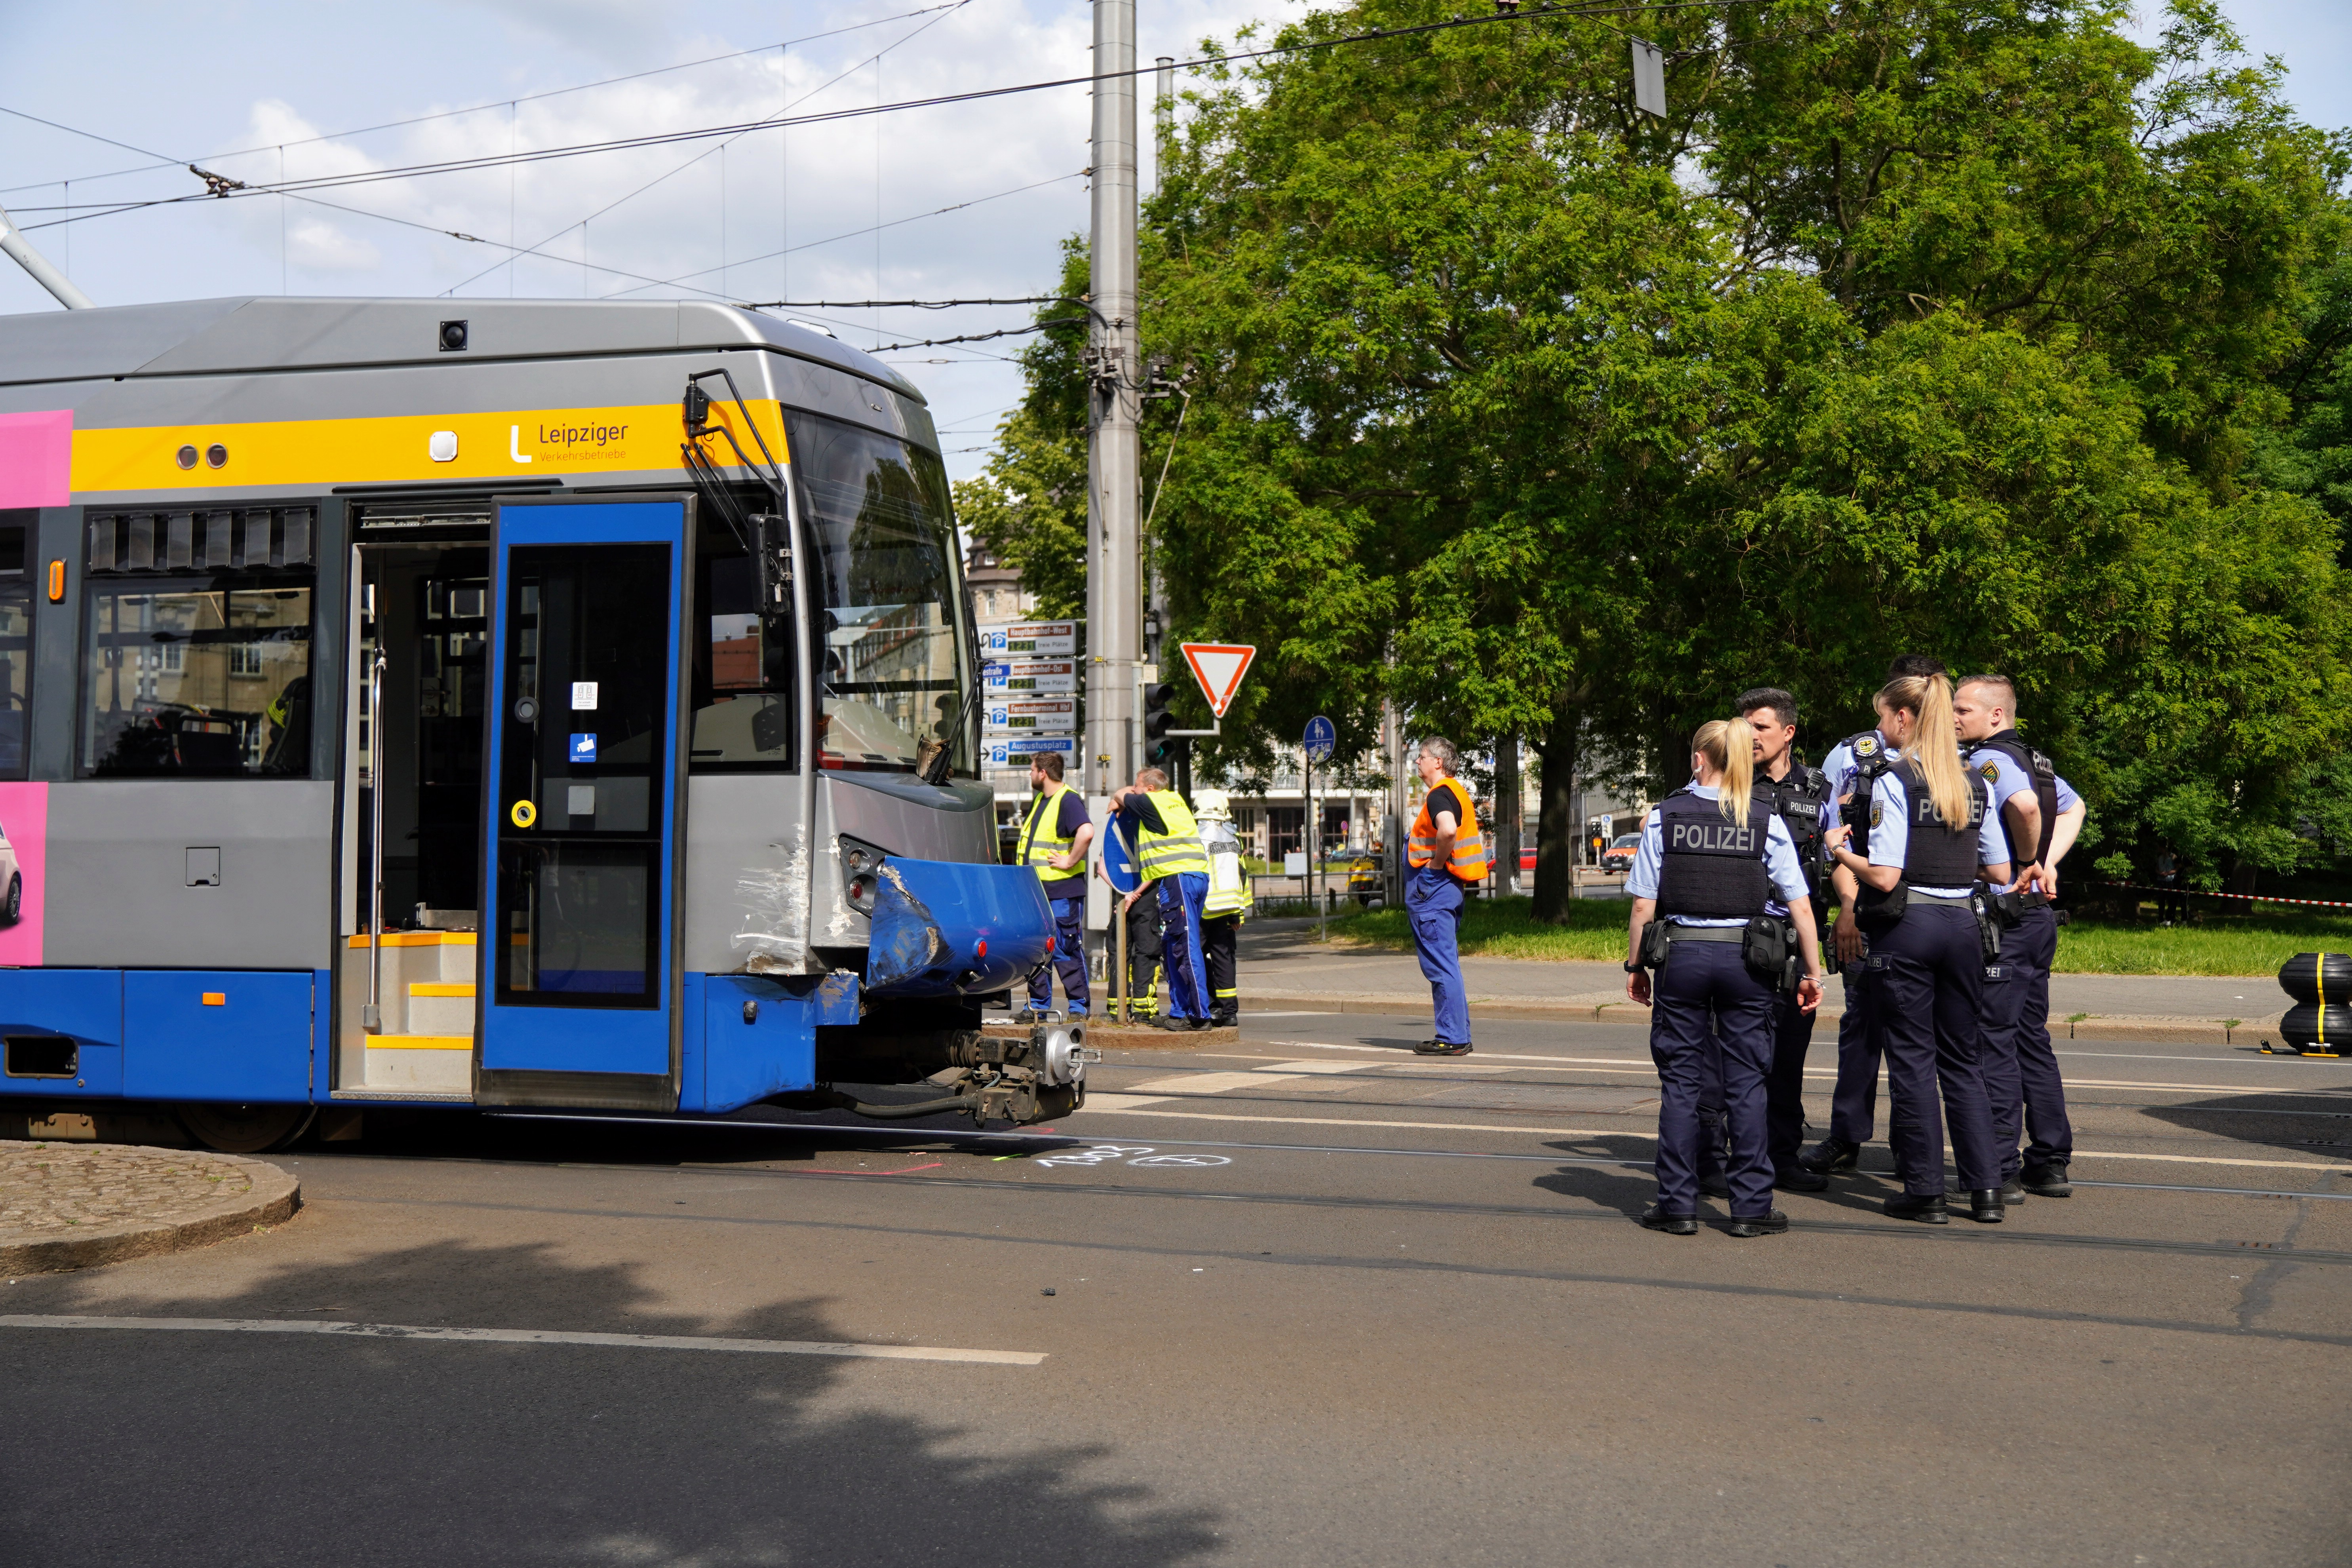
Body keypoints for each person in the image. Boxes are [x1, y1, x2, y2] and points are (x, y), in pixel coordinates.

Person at [1821, 672, 2014, 1224]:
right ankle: (1986, 1190)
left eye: (1884, 716)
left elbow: (1884, 876)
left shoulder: (1895, 780)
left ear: (1906, 719)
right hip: (1963, 926)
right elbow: (2000, 870)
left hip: (1910, 927)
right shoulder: (1974, 781)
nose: (1881, 726)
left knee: (1912, 1059)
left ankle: (1926, 1192)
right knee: (1963, 1060)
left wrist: (1841, 851)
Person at [1625, 717, 1827, 1238]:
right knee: (1748, 1084)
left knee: (1681, 1084)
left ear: (1699, 759)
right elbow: (1801, 906)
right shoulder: (1764, 819)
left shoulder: (1665, 816)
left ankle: (1677, 1205)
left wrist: (1636, 966)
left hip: (1682, 959)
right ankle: (1751, 1209)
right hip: (1748, 961)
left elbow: (1643, 906)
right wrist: (1813, 973)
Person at [1801, 653, 1949, 1178]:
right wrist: (1847, 909)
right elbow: (1834, 839)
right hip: (1870, 910)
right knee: (1862, 1028)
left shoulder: (1957, 756)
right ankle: (1846, 1136)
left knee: (1925, 1040)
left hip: (1929, 919)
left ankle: (1917, 1149)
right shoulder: (1853, 755)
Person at [1955, 674, 2088, 1200]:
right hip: (2036, 919)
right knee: (2032, 1037)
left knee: (1994, 1039)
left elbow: (2028, 809)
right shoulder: (2038, 761)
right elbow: (2074, 807)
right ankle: (2050, 1161)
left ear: (1996, 715)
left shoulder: (1989, 760)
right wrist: (2048, 865)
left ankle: (2000, 1166)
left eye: (1963, 709)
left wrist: (2031, 862)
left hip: (2005, 918)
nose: (1954, 717)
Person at [1734, 687, 1838, 1193]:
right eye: (1745, 726)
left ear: (1788, 732)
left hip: (1798, 942)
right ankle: (1736, 1156)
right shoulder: (1726, 780)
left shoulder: (1819, 790)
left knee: (1789, 1056)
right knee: (1736, 1054)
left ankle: (1782, 1156)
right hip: (1739, 938)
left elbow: (1837, 857)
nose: (1751, 736)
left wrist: (1850, 912)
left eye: (1761, 727)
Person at [1111, 766, 1213, 1031]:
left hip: (1179, 878)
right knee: (1171, 946)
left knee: (1185, 947)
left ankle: (1199, 1015)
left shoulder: (1151, 802)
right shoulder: (1175, 800)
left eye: (1138, 786)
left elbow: (1121, 794)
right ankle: (1179, 1013)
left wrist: (1121, 798)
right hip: (1191, 877)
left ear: (1150, 789)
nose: (1134, 790)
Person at [1408, 737, 1489, 1057]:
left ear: (1438, 762)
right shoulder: (1456, 791)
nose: (1418, 761)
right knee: (1446, 962)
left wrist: (1435, 867)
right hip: (1446, 888)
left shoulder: (1439, 794)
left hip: (1434, 889)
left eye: (1422, 756)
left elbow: (1448, 831)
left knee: (1440, 966)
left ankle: (1452, 1037)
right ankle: (1458, 1034)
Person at [1016, 751, 1094, 1020]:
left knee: (1065, 948)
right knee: (1039, 948)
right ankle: (1039, 1007)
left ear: (1043, 773)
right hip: (1038, 891)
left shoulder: (1067, 800)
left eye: (1032, 769)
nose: (1030, 774)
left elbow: (1087, 832)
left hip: (1062, 891)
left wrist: (1070, 861)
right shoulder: (1042, 800)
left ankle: (1079, 1007)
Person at [1195, 788, 1249, 1027]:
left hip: (1202, 908)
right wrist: (1238, 913)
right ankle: (1230, 1013)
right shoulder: (1234, 839)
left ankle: (1205, 1005)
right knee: (1224, 960)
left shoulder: (1196, 837)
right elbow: (1241, 875)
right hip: (1228, 909)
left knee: (1194, 957)